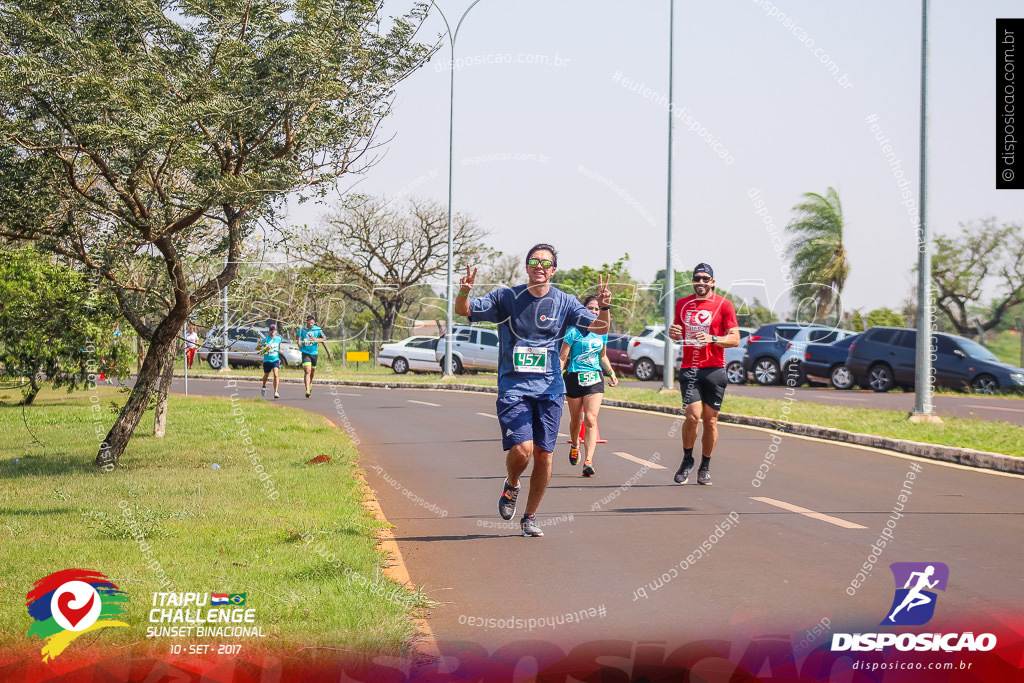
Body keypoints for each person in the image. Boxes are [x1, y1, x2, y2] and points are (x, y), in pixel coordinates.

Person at [455, 244, 611, 537]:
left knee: (544, 455)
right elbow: (464, 310)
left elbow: (600, 328)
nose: (539, 266)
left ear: (553, 270)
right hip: (514, 385)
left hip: (550, 389)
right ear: (526, 267)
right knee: (523, 449)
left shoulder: (564, 302)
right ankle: (512, 484)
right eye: (533, 261)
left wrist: (603, 306)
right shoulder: (506, 297)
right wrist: (464, 291)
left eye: (545, 262)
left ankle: (529, 517)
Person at [668, 263, 740, 486]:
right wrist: (673, 334)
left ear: (712, 282)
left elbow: (735, 338)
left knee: (710, 421)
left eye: (705, 278)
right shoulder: (682, 304)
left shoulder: (724, 305)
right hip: (690, 368)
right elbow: (676, 334)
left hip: (715, 369)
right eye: (697, 278)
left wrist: (713, 339)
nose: (700, 282)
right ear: (693, 281)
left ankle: (705, 466)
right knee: (692, 416)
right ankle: (687, 459)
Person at [559, 295, 618, 477]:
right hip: (574, 378)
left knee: (591, 419)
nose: (594, 311)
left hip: (594, 379)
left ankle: (588, 461)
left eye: (597, 309)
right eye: (591, 308)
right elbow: (563, 357)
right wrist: (555, 379)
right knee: (576, 420)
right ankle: (575, 445)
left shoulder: (602, 333)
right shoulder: (573, 332)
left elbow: (602, 356)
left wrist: (611, 371)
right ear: (583, 310)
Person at [297, 314, 326, 398]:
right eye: (309, 323)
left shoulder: (318, 329)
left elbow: (324, 338)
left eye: (312, 323)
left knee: (312, 372)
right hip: (305, 352)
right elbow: (297, 337)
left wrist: (317, 339)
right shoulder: (302, 329)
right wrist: (298, 343)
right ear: (306, 322)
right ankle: (307, 390)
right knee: (307, 370)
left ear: (314, 322)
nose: (310, 324)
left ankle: (310, 383)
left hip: (314, 353)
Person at [260, 324, 283, 399]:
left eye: (274, 330)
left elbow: (280, 348)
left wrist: (280, 350)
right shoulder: (265, 339)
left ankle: (276, 392)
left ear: (276, 331)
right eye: (271, 330)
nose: (272, 331)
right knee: (266, 375)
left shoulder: (278, 339)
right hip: (267, 360)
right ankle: (264, 386)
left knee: (276, 374)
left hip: (275, 359)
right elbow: (258, 347)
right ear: (269, 331)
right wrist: (263, 348)